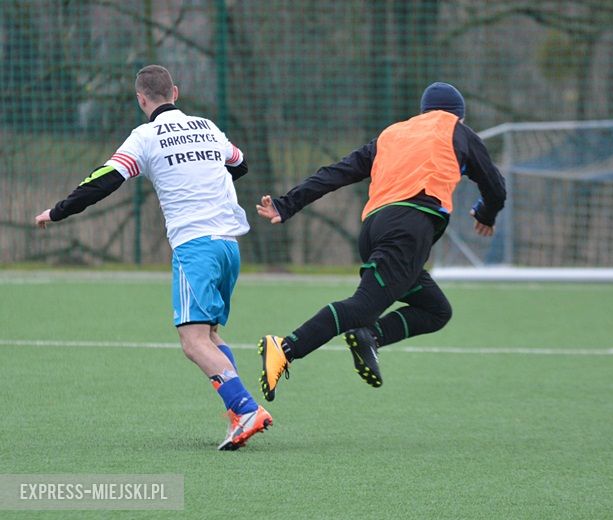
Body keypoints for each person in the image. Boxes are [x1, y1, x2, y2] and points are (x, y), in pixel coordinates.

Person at [34, 65, 271, 450]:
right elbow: (239, 164)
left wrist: (57, 211)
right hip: (229, 244)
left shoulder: (145, 136)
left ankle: (245, 408)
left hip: (195, 247)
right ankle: (236, 413)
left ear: (141, 99)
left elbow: (105, 179)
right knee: (209, 335)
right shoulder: (208, 127)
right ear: (175, 92)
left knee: (192, 342)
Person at [255, 81, 506, 401]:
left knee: (436, 310)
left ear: (423, 112)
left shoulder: (392, 134)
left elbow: (336, 172)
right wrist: (486, 213)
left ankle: (370, 337)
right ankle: (286, 348)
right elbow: (496, 187)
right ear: (459, 116)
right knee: (362, 307)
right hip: (408, 229)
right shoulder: (456, 130)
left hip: (375, 228)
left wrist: (287, 203)